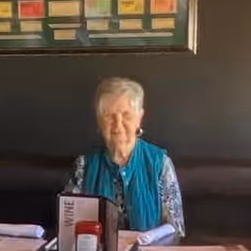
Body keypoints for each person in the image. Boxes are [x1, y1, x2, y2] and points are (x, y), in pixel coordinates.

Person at [63, 77, 185, 237]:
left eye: (126, 115)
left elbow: (176, 230)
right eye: (109, 116)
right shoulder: (83, 165)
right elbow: (67, 228)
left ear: (139, 119)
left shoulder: (160, 163)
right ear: (99, 121)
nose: (117, 125)